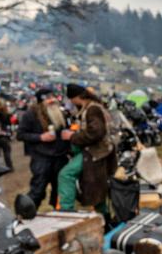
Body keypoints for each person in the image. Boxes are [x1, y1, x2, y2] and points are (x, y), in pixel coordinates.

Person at [57, 83, 117, 214]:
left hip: (96, 152)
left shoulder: (92, 109)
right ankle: (105, 219)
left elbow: (96, 132)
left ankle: (66, 210)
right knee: (97, 188)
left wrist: (72, 136)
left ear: (75, 98)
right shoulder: (93, 106)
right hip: (100, 152)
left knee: (66, 174)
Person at [16, 88, 71, 208]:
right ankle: (28, 214)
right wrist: (40, 137)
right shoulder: (31, 114)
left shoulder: (61, 112)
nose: (52, 101)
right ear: (41, 101)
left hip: (60, 157)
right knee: (38, 190)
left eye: (53, 97)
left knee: (60, 190)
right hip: (41, 158)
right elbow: (20, 135)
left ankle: (57, 213)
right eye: (48, 98)